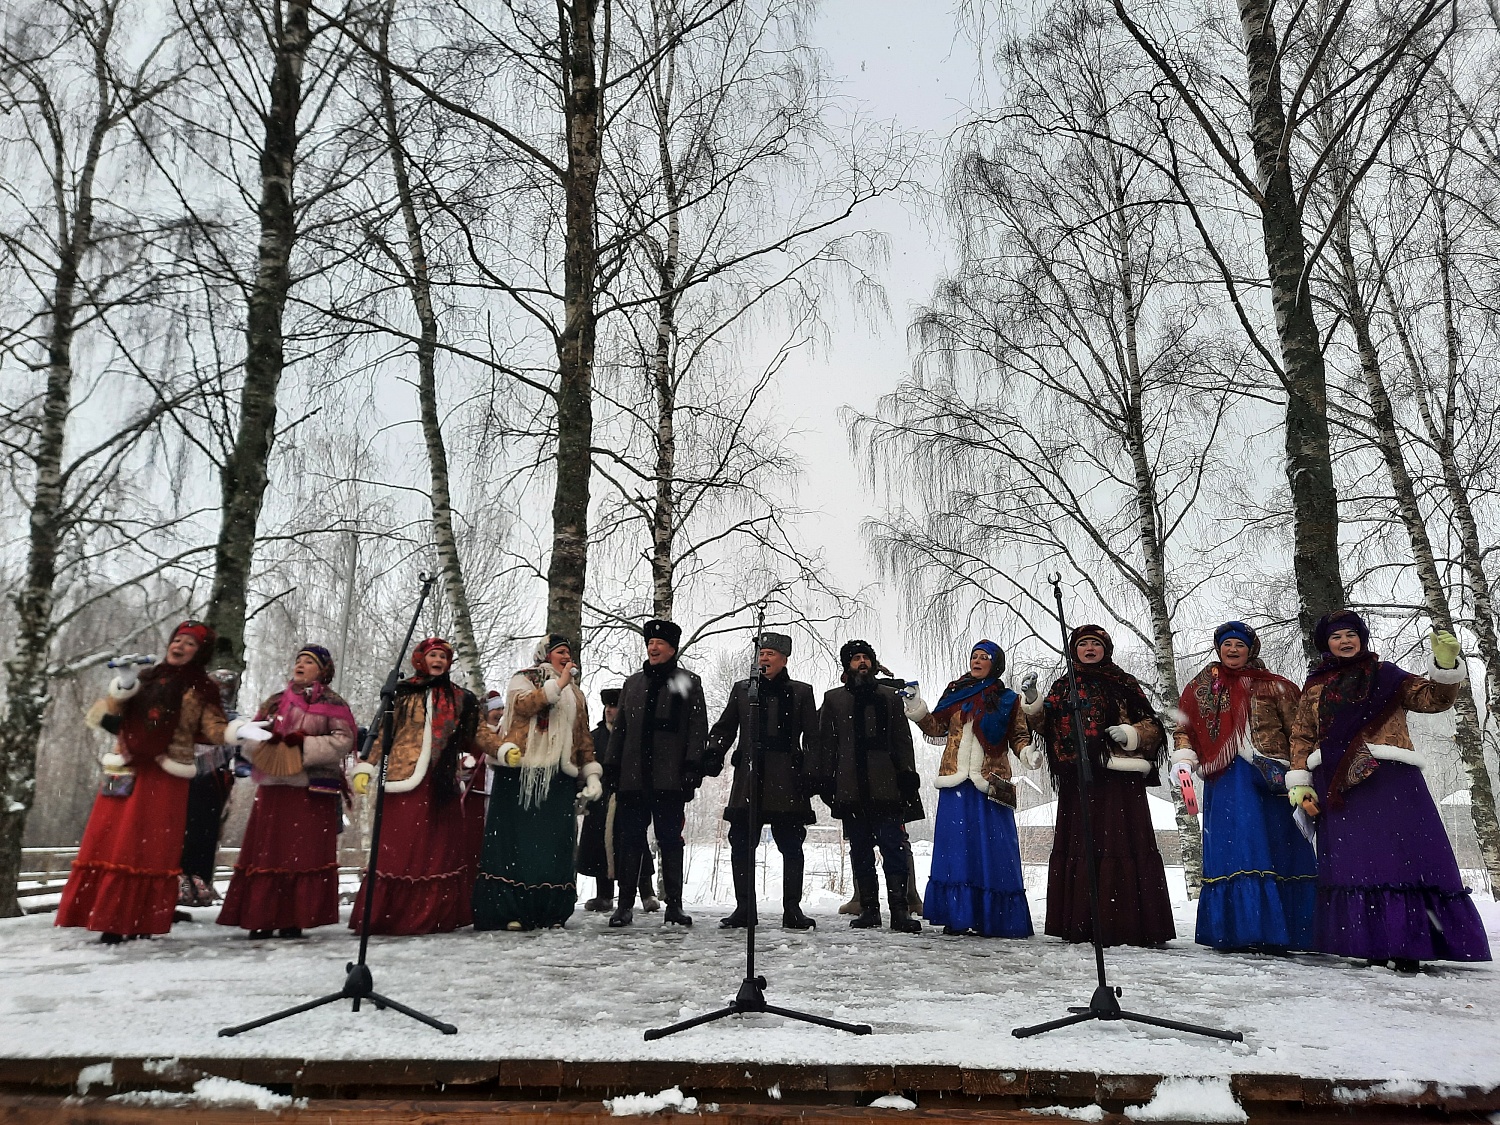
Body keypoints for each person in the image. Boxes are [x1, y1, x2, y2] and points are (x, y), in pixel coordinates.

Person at [1287, 611, 1490, 971]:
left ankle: (1409, 943)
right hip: (1337, 784)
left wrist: (1445, 668)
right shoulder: (1315, 687)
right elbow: (1302, 735)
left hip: (1389, 778)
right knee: (1358, 865)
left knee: (1402, 859)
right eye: (1337, 637)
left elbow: (1434, 700)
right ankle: (1371, 943)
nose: (1345, 641)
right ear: (1326, 644)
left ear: (1362, 639)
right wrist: (1300, 780)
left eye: (1351, 634)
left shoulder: (1387, 676)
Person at [58, 621, 271, 942]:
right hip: (124, 767)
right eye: (178, 640)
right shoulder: (148, 677)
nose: (180, 646)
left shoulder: (201, 688)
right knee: (109, 838)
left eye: (190, 643)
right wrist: (125, 684)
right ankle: (102, 913)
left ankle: (134, 918)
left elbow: (213, 727)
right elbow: (113, 711)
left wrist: (236, 730)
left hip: (165, 773)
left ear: (199, 653)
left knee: (146, 846)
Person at [1024, 624, 1174, 947]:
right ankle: (1081, 923)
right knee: (1083, 846)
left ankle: (1127, 923)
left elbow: (1153, 726)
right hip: (1078, 780)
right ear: (1073, 650)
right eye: (1083, 644)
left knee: (1120, 844)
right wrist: (1034, 701)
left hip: (1118, 780)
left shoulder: (1123, 684)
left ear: (1105, 649)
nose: (1089, 649)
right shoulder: (1064, 686)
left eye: (1095, 644)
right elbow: (1043, 724)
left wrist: (1130, 733)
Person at [1172, 621, 1315, 952]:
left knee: (1279, 848)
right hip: (1226, 778)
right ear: (1218, 649)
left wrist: (1300, 772)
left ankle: (1289, 931)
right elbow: (1185, 727)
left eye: (1239, 644)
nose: (1233, 650)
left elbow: (1298, 732)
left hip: (1272, 778)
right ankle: (1240, 930)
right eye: (1227, 645)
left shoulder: (1277, 687)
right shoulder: (1202, 688)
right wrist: (1183, 757)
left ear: (1251, 649)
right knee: (1237, 849)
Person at [348, 636, 494, 935]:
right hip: (403, 779)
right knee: (398, 848)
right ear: (421, 659)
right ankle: (390, 915)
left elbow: (480, 734)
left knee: (436, 850)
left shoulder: (460, 698)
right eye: (433, 656)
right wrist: (366, 764)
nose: (438, 661)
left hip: (440, 784)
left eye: (443, 656)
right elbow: (382, 734)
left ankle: (432, 916)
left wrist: (502, 748)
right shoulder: (402, 694)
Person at [217, 644, 356, 939]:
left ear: (323, 670)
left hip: (309, 788)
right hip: (273, 787)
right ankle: (261, 916)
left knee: (299, 854)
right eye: (299, 660)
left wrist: (302, 745)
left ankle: (294, 916)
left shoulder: (333, 703)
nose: (301, 665)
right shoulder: (275, 702)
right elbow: (253, 733)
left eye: (309, 662)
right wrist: (270, 746)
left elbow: (344, 740)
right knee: (268, 853)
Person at [903, 640, 1034, 937]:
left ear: (995, 663)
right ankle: (958, 916)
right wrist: (915, 706)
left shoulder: (1007, 699)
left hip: (990, 782)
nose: (977, 660)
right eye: (974, 656)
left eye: (984, 657)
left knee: (995, 850)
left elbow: (1018, 734)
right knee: (956, 852)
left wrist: (1027, 753)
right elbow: (936, 727)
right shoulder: (956, 692)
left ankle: (996, 919)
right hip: (955, 781)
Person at [473, 635, 602, 931]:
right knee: (515, 846)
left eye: (569, 653)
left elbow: (582, 736)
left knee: (553, 847)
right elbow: (525, 706)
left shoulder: (576, 694)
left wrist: (592, 774)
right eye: (560, 652)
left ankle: (550, 912)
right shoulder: (523, 679)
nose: (566, 657)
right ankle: (510, 911)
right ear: (545, 655)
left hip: (558, 777)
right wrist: (558, 685)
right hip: (521, 773)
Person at [706, 632, 821, 930]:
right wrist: (715, 750)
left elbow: (814, 739)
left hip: (788, 779)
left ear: (784, 659)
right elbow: (725, 728)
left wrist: (812, 772)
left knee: (792, 846)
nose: (764, 658)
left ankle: (792, 909)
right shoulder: (744, 690)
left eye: (771, 653)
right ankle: (745, 908)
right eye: (762, 653)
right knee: (741, 844)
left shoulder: (802, 692)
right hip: (750, 778)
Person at [811, 639, 924, 932]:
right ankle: (869, 909)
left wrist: (907, 774)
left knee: (894, 848)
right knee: (860, 850)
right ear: (847, 664)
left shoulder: (889, 697)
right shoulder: (834, 699)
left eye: (865, 657)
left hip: (887, 785)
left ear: (873, 663)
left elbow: (902, 740)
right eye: (855, 658)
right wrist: (825, 781)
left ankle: (900, 910)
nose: (861, 662)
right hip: (849, 786)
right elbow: (825, 744)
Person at [602, 619, 708, 928]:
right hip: (633, 778)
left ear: (672, 648)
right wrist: (612, 766)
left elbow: (696, 728)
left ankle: (674, 905)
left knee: (670, 840)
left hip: (669, 778)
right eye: (650, 643)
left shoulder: (687, 681)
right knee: (630, 841)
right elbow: (619, 729)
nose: (653, 647)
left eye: (659, 643)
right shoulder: (633, 684)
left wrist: (692, 767)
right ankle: (624, 906)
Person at [578, 688, 658, 913]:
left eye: (613, 706)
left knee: (634, 842)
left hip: (628, 795)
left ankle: (646, 892)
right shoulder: (594, 738)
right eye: (606, 707)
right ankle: (604, 894)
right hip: (600, 799)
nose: (609, 711)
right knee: (599, 845)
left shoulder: (633, 735)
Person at [178, 669, 241, 910]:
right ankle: (182, 876)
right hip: (186, 773)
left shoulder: (231, 716)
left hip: (214, 778)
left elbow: (237, 745)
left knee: (207, 830)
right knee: (186, 828)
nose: (222, 690)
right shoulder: (191, 708)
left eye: (227, 686)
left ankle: (199, 877)